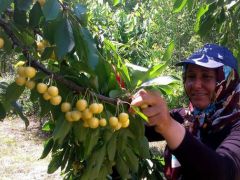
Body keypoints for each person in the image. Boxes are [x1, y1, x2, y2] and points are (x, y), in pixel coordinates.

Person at [131, 44, 240, 180]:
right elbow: (137, 129)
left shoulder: (236, 124)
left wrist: (168, 126)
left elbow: (224, 172)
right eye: (191, 76)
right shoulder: (185, 117)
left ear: (227, 80)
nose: (196, 85)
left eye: (206, 77)